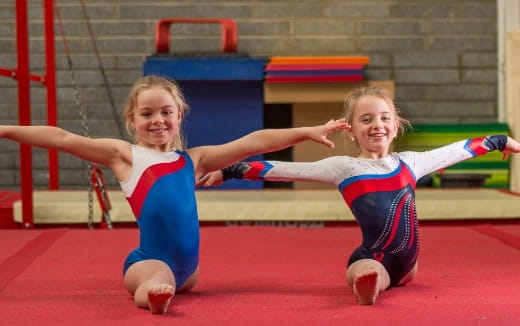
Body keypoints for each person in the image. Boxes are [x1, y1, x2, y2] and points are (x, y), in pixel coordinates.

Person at [0, 75, 349, 314]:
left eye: (167, 112)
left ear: (179, 115)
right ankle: (151, 295)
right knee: (156, 278)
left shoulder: (193, 160)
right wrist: (5, 130)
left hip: (190, 272)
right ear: (131, 120)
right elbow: (62, 138)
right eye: (147, 114)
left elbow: (252, 142)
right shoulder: (125, 156)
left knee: (175, 278)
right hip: (148, 262)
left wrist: (306, 131)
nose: (158, 120)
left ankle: (164, 288)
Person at [198, 85, 520, 305]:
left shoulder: (411, 162)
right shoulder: (343, 167)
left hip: (410, 265)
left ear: (396, 125)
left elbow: (456, 151)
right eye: (366, 120)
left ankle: (388, 277)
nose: (376, 125)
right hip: (374, 257)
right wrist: (229, 170)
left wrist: (496, 141)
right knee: (366, 269)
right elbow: (282, 169)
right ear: (350, 129)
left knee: (405, 271)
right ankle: (367, 285)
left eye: (384, 118)